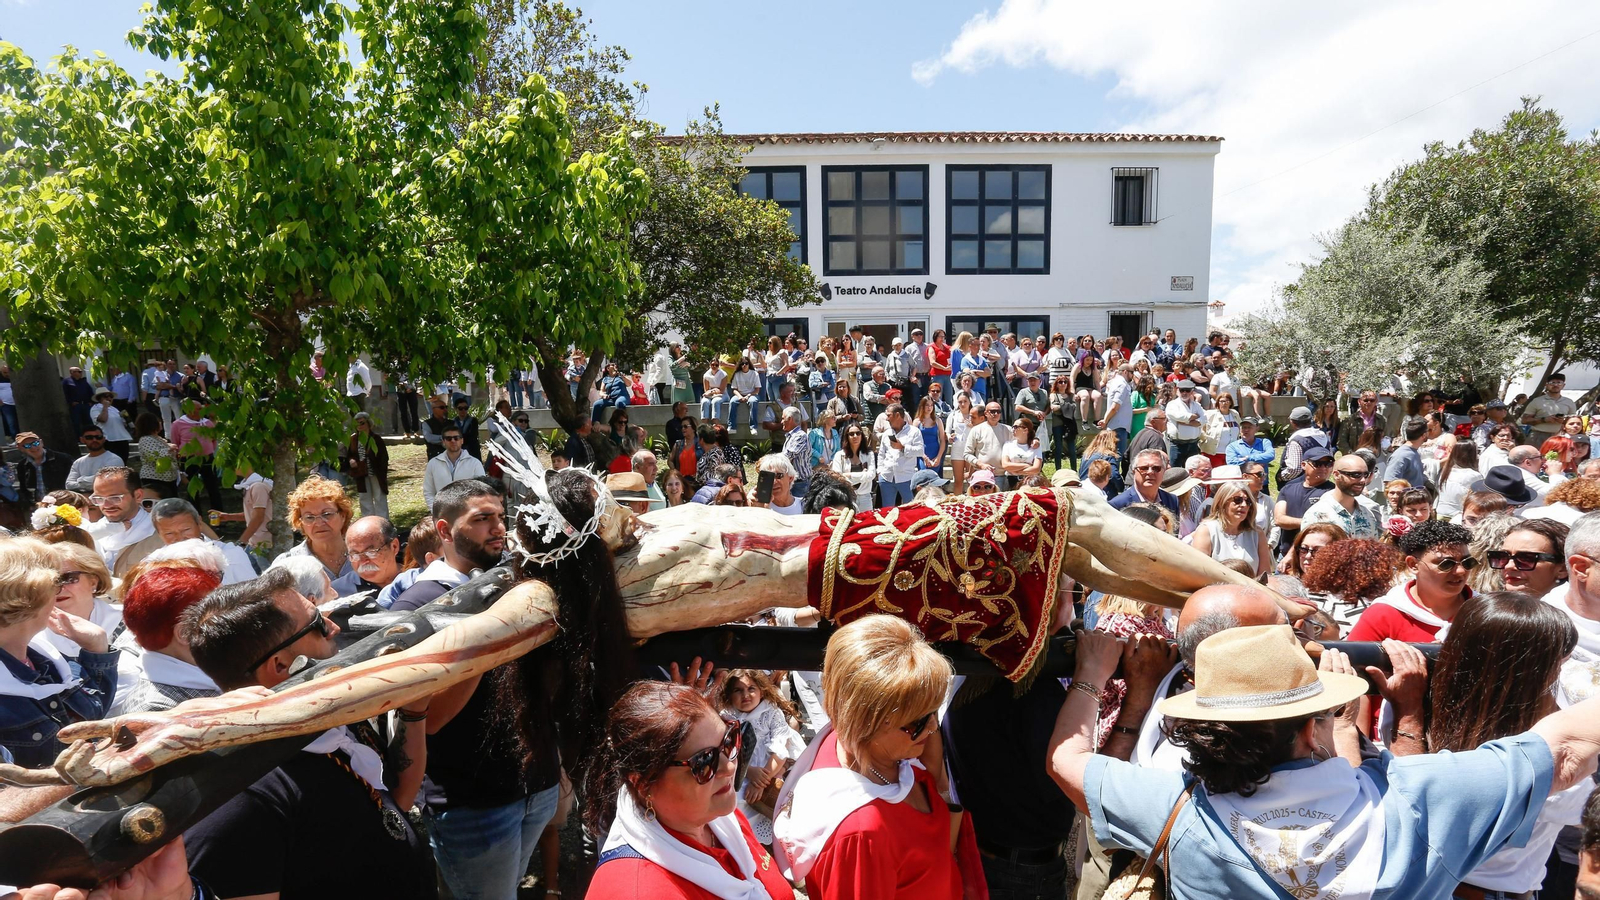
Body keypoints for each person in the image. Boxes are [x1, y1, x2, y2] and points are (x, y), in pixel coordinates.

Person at [180, 568, 437, 900]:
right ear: (280, 666)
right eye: (318, 624)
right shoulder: (240, 795)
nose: (335, 627)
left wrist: (415, 710)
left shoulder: (326, 716)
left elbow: (396, 802)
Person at [772, 615, 976, 900]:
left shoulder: (847, 743)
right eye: (917, 721)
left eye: (933, 713)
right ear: (865, 720)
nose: (932, 727)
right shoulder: (861, 835)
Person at [584, 680, 795, 900]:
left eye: (729, 740)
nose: (729, 766)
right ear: (644, 785)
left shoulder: (720, 820)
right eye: (704, 761)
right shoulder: (635, 892)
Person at [0, 537, 123, 768]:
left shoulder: (41, 655)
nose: (58, 594)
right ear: (28, 598)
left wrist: (97, 649)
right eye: (55, 585)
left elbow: (89, 719)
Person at [119, 562, 222, 713]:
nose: (231, 622)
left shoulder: (214, 672)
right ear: (185, 633)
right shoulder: (154, 709)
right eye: (219, 617)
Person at [1349, 520, 1475, 643]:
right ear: (1413, 565)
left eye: (1467, 562)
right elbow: (1352, 660)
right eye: (1446, 564)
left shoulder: (1484, 611)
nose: (1460, 571)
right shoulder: (1383, 615)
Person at [278, 475, 356, 587]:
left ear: (343, 516)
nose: (319, 523)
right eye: (309, 517)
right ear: (300, 522)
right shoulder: (288, 565)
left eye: (327, 514)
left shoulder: (366, 554)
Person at [1189, 480, 1271, 579]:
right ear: (1222, 502)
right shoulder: (1206, 531)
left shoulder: (1257, 533)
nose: (1244, 505)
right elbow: (1198, 572)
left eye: (1248, 501)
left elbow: (1265, 576)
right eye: (1237, 500)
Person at [1301, 453, 1383, 539]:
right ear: (1336, 475)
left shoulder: (1368, 514)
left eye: (1365, 475)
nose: (1362, 480)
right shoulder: (1317, 515)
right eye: (1356, 475)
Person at [1274, 447, 1336, 556]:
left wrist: (1293, 522)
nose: (1323, 467)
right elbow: (1279, 519)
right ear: (1303, 465)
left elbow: (1328, 525)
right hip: (1286, 554)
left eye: (1328, 464)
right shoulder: (1288, 489)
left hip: (1316, 556)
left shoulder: (1333, 492)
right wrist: (1310, 522)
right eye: (1317, 463)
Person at [1485, 518, 1570, 597]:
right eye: (1502, 557)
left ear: (1563, 569)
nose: (1509, 566)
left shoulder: (1571, 612)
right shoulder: (1486, 609)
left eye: (1526, 559)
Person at [330, 515, 403, 597]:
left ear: (394, 547)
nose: (363, 561)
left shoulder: (416, 578)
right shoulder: (336, 593)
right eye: (355, 554)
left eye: (370, 552)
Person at [423, 424, 488, 510]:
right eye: (449, 439)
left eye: (456, 438)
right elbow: (429, 491)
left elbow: (481, 490)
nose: (453, 441)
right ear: (443, 441)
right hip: (442, 513)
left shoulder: (475, 463)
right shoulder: (433, 463)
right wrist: (434, 511)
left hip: (467, 513)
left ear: (462, 440)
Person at [1109, 448, 1177, 516]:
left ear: (1164, 471)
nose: (1150, 472)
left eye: (1156, 468)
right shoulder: (1117, 505)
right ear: (1134, 472)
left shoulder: (1172, 500)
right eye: (1144, 468)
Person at [12, 432, 72, 507]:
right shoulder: (22, 465)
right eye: (27, 445)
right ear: (20, 448)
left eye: (36, 443)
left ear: (41, 443)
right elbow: (24, 489)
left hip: (63, 504)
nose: (33, 447)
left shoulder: (63, 459)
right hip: (38, 506)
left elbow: (71, 484)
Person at [63, 426, 124, 495]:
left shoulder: (114, 459)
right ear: (82, 440)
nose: (94, 440)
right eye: (89, 437)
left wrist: (81, 480)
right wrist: (93, 481)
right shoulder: (78, 462)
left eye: (98, 437)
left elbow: (107, 482)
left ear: (104, 439)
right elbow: (69, 485)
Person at [831, 424, 877, 511]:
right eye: (851, 434)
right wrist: (863, 475)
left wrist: (849, 475)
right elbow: (837, 478)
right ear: (847, 437)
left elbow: (871, 475)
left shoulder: (869, 454)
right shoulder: (839, 455)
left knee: (867, 523)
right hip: (847, 498)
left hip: (865, 498)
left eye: (858, 433)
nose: (855, 436)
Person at [1164, 380, 1205, 463]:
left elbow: (1204, 419)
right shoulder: (1172, 404)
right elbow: (1179, 416)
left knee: (1192, 470)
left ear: (1191, 392)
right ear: (1178, 391)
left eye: (1187, 390)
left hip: (1193, 444)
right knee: (1175, 471)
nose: (1184, 393)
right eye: (1182, 390)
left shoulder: (1196, 405)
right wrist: (1194, 416)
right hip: (1177, 445)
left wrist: (1186, 421)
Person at [1000, 418, 1043, 491]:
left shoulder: (1035, 446)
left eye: (1016, 427)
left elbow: (1036, 469)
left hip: (1029, 482)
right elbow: (1005, 465)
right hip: (1011, 481)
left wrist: (1016, 472)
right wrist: (1026, 465)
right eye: (1013, 427)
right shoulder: (1008, 445)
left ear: (1025, 430)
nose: (1013, 429)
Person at [91, 388, 133, 463]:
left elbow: (124, 423)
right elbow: (103, 419)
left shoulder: (115, 409)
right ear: (99, 398)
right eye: (106, 396)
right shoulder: (95, 408)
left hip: (122, 438)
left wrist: (126, 418)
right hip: (108, 439)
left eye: (111, 396)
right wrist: (105, 407)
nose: (109, 398)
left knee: (123, 462)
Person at [451, 396, 483, 462]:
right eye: (460, 408)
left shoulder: (473, 420)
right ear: (456, 409)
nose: (463, 410)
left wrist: (458, 438)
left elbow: (473, 436)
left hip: (472, 451)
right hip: (457, 452)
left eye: (465, 408)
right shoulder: (452, 422)